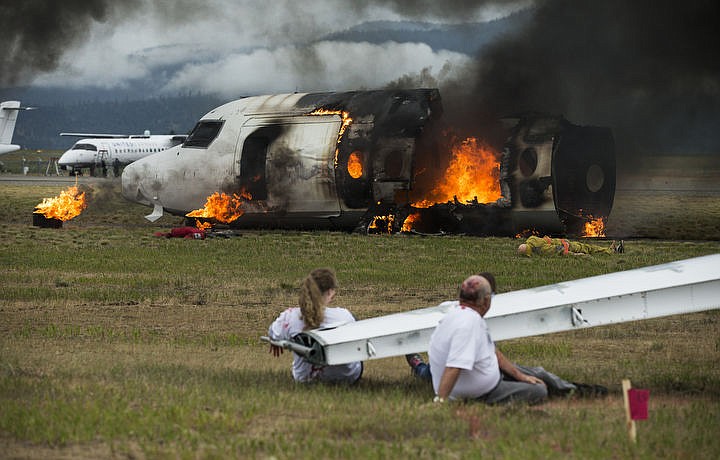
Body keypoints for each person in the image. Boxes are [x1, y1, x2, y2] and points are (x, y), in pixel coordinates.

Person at [414, 274, 604, 404]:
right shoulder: (468, 323)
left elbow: (492, 352)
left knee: (536, 373)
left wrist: (520, 375)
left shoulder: (459, 313)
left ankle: (576, 390)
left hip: (485, 374)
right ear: (486, 301)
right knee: (539, 390)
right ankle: (571, 391)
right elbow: (454, 366)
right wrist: (441, 400)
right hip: (481, 393)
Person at [268, 268, 363, 384]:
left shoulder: (289, 317)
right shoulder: (345, 316)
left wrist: (274, 340)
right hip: (346, 377)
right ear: (329, 292)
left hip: (304, 378)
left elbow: (272, 332)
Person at [517, 235, 623, 257]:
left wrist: (576, 255)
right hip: (563, 242)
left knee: (587, 249)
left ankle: (611, 251)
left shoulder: (540, 249)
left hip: (566, 245)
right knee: (588, 248)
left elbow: (559, 250)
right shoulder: (530, 240)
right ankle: (611, 250)